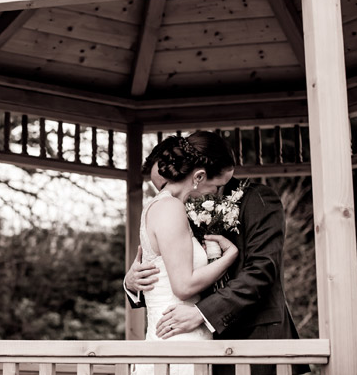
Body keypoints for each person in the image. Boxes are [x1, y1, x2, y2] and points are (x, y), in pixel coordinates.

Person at [125, 140, 307, 375]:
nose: (165, 189)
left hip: (254, 337)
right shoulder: (176, 206)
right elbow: (167, 267)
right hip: (194, 335)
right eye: (161, 183)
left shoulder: (259, 200)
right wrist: (131, 283)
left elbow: (262, 269)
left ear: (197, 173)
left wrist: (203, 312)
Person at [127, 131, 238, 375]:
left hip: (179, 334)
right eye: (217, 185)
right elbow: (184, 286)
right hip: (178, 340)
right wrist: (230, 257)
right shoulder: (170, 208)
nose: (217, 193)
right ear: (199, 176)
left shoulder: (163, 206)